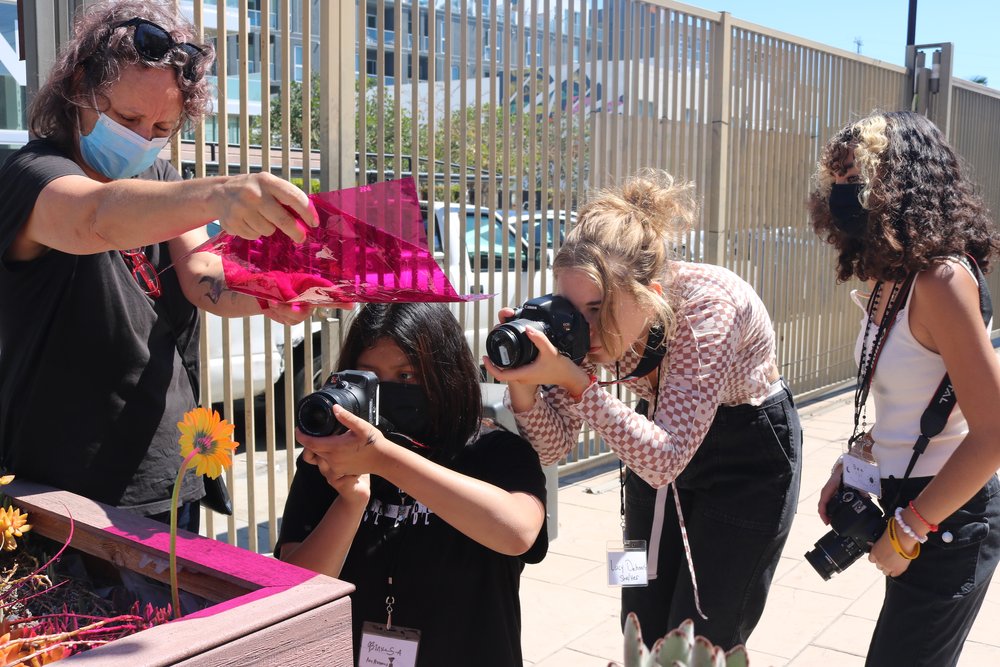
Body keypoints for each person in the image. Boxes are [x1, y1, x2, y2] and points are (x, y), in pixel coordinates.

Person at [0, 0, 324, 533]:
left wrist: (275, 292)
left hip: (168, 471)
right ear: (80, 85)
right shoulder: (32, 174)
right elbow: (95, 218)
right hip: (64, 485)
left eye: (161, 127)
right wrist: (219, 193)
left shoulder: (162, 178)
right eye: (128, 119)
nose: (143, 139)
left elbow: (202, 277)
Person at [486, 169, 802, 649]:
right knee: (638, 613)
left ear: (650, 297)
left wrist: (575, 381)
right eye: (570, 306)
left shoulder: (707, 310)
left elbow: (666, 460)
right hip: (647, 440)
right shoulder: (574, 328)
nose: (580, 327)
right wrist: (524, 385)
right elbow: (554, 446)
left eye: (596, 309)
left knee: (701, 633)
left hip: (745, 455)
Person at [808, 110, 1000, 667]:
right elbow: (911, 399)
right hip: (909, 502)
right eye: (837, 182)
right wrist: (857, 461)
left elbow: (991, 433)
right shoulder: (894, 278)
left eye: (858, 181)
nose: (844, 196)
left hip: (946, 517)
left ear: (898, 187)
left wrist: (910, 529)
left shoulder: (941, 280)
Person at [276, 302, 548, 667]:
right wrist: (351, 502)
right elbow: (296, 594)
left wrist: (383, 458)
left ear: (444, 376)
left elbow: (517, 533)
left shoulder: (492, 450)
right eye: (369, 376)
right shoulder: (333, 458)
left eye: (407, 377)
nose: (390, 391)